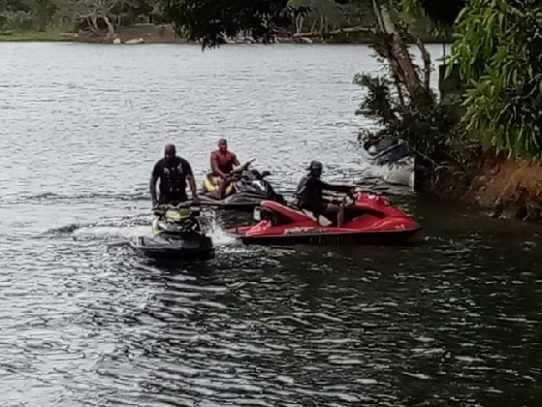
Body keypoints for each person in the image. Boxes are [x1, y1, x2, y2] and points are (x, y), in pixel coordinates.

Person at [295, 160, 355, 226]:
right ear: (313, 170)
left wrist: (331, 201)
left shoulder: (305, 179)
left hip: (303, 205)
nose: (318, 172)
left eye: (319, 170)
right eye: (317, 170)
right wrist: (346, 188)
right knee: (340, 209)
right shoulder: (313, 181)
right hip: (312, 207)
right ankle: (339, 230)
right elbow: (329, 187)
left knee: (332, 204)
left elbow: (313, 196)